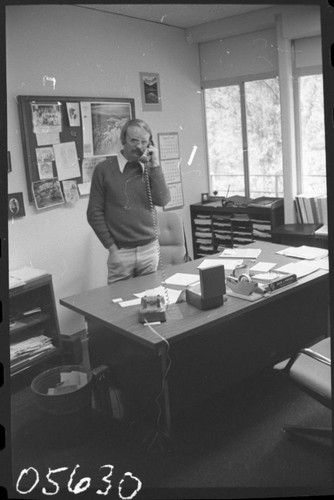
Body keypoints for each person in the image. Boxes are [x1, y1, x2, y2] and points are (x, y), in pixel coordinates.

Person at [87, 118, 171, 284]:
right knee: (120, 305)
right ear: (123, 140)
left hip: (149, 249)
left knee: (151, 300)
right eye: (133, 140)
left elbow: (163, 200)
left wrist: (155, 164)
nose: (139, 146)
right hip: (121, 251)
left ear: (150, 144)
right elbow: (94, 213)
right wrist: (112, 248)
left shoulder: (149, 168)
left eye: (144, 142)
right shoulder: (104, 170)